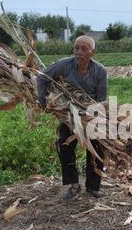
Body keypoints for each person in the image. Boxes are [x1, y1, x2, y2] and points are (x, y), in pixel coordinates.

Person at [37, 35, 108, 200]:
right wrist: (42, 101)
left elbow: (101, 101)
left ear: (93, 53)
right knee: (64, 144)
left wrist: (89, 119)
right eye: (76, 48)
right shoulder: (64, 65)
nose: (79, 52)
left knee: (98, 148)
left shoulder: (100, 71)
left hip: (90, 115)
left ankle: (93, 186)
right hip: (68, 115)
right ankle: (73, 185)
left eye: (84, 49)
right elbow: (42, 77)